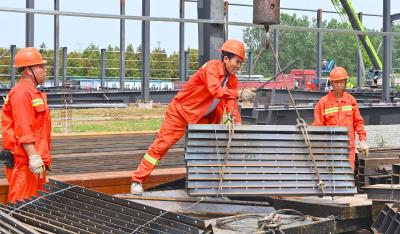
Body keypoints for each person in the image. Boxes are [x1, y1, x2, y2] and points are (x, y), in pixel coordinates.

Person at [131, 39, 245, 193]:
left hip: (202, 118)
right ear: (225, 59)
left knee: (208, 148)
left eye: (240, 63)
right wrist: (239, 93)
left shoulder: (232, 79)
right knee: (161, 146)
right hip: (180, 113)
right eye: (236, 62)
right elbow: (215, 91)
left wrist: (237, 123)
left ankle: (204, 183)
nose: (238, 66)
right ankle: (137, 180)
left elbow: (230, 102)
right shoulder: (211, 67)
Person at [2, 47, 51, 203]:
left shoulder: (32, 93)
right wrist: (33, 157)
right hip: (25, 163)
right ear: (29, 71)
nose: (45, 70)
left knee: (36, 207)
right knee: (20, 208)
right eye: (41, 67)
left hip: (34, 162)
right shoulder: (21, 93)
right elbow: (23, 127)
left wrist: (39, 158)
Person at [312, 66, 369, 170]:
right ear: (332, 83)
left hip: (348, 149)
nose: (339, 84)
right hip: (330, 151)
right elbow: (317, 127)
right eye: (336, 82)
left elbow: (358, 122)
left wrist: (362, 140)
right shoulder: (323, 103)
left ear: (345, 82)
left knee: (347, 179)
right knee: (330, 180)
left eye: (341, 81)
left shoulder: (350, 100)